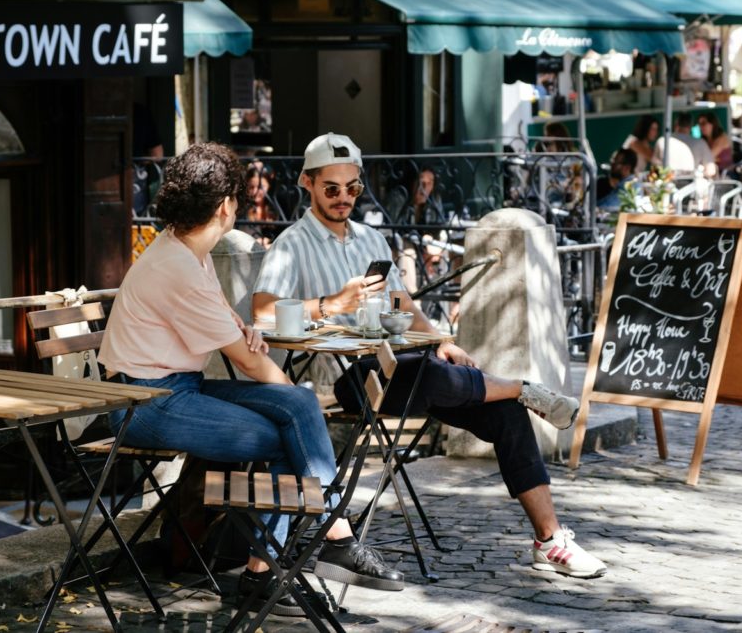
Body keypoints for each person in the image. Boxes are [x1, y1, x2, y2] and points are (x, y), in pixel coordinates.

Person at [252, 132, 608, 579]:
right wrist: (332, 304)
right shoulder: (291, 244)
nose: (344, 198)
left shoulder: (369, 239)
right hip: (339, 381)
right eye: (332, 188)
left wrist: (440, 338)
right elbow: (262, 311)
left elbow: (402, 305)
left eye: (353, 187)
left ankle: (550, 540)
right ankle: (521, 385)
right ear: (307, 183)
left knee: (503, 412)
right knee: (442, 377)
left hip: (399, 369)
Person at [97, 142, 404, 615]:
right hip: (145, 403)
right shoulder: (178, 265)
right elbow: (247, 362)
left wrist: (245, 334)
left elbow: (230, 324)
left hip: (176, 388)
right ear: (224, 206)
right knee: (290, 429)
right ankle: (313, 546)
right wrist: (272, 375)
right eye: (238, 199)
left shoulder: (187, 249)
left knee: (298, 407)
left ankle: (292, 559)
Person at [654, 112, 716, 177]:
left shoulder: (662, 141)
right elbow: (711, 170)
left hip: (668, 183)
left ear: (676, 125)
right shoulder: (700, 143)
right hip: (691, 184)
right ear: (690, 127)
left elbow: (655, 168)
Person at [238, 163, 277, 248]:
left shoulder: (277, 207)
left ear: (269, 186)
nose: (255, 192)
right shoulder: (242, 209)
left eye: (260, 187)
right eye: (251, 187)